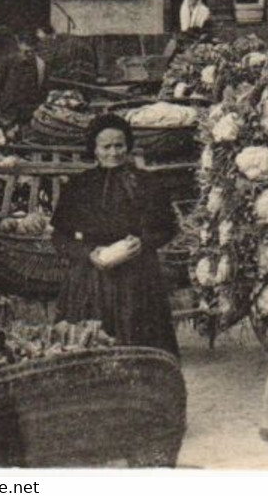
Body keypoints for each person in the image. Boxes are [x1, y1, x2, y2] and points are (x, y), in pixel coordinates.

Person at [50, 115, 179, 356]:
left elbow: (168, 228)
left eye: (119, 145)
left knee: (141, 353)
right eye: (106, 147)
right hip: (91, 278)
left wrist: (144, 243)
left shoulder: (147, 183)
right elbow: (59, 237)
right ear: (95, 149)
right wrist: (88, 253)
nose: (113, 153)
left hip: (138, 276)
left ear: (128, 146)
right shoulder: (79, 186)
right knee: (89, 351)